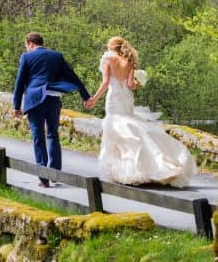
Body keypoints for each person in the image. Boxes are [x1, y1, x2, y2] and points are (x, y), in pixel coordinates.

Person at [83, 36, 197, 187]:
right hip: (126, 99)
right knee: (129, 126)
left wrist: (93, 99)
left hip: (113, 99)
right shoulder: (129, 61)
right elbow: (130, 85)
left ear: (111, 47)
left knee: (117, 130)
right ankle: (150, 164)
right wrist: (138, 84)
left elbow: (105, 82)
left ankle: (126, 170)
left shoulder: (108, 59)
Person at [13, 32, 91, 188]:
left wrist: (16, 106)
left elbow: (19, 83)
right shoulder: (57, 56)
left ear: (30, 44)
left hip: (35, 100)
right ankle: (55, 173)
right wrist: (85, 96)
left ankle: (44, 178)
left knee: (37, 136)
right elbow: (72, 76)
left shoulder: (27, 57)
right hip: (53, 98)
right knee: (53, 134)